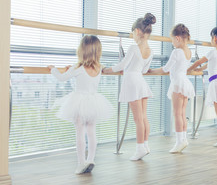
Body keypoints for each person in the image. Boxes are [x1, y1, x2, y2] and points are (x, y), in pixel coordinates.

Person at [48, 35, 113, 174]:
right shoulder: (99, 68)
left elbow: (61, 78)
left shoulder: (78, 67)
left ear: (81, 50)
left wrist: (53, 69)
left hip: (79, 102)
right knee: (91, 131)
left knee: (79, 133)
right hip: (94, 102)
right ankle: (91, 159)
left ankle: (80, 163)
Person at [102, 13, 156, 161]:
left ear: (137, 31)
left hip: (132, 82)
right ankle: (145, 145)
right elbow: (144, 70)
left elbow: (122, 65)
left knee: (138, 119)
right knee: (144, 117)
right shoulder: (150, 51)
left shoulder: (133, 47)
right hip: (140, 80)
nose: (133, 36)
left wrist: (106, 70)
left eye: (132, 33)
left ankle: (139, 149)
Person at [148, 24, 195, 153]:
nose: (172, 42)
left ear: (178, 38)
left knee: (177, 113)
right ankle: (183, 139)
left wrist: (151, 70)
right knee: (182, 113)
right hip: (185, 82)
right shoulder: (188, 51)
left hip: (178, 83)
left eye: (172, 40)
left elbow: (165, 68)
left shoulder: (177, 51)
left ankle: (180, 141)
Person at [187, 24, 217, 147]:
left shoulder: (212, 52)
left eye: (211, 37)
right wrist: (200, 69)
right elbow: (209, 65)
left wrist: (188, 69)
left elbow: (198, 61)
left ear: (215, 38)